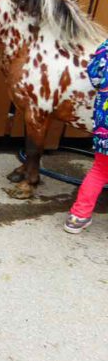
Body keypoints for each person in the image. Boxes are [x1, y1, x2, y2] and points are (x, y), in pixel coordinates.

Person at [65, 39, 108, 233]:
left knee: (99, 171)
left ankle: (77, 217)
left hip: (105, 123)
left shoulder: (106, 47)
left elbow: (94, 76)